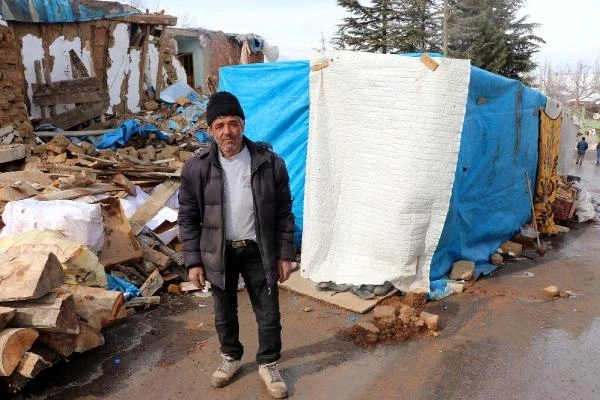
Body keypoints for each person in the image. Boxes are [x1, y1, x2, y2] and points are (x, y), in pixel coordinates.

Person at [178, 91, 295, 399]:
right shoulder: (197, 167)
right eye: (219, 125)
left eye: (233, 123)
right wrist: (194, 261)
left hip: (259, 250)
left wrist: (285, 253)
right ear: (211, 129)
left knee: (269, 313)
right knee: (224, 312)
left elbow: (284, 211)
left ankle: (268, 363)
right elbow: (188, 217)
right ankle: (231, 357)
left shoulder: (269, 162)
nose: (227, 131)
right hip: (219, 251)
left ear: (243, 124)